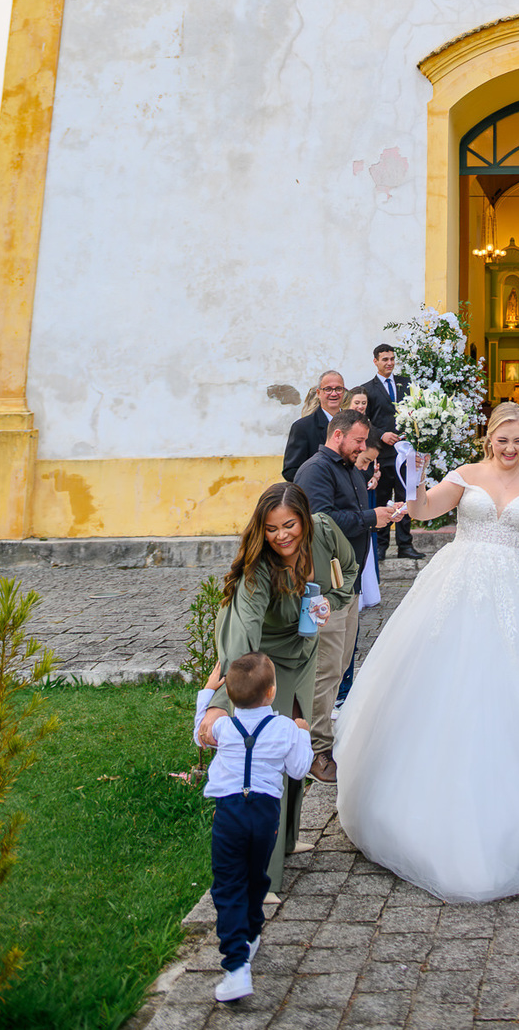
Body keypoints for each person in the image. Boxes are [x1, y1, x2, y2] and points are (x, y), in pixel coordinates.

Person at [334, 402, 519, 901]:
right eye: (504, 440)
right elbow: (424, 509)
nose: (511, 448)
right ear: (490, 438)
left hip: (518, 586)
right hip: (458, 580)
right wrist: (414, 481)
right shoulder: (465, 474)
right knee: (445, 686)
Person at [196, 483, 357, 890]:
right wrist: (222, 698)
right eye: (271, 529)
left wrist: (331, 604)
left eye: (289, 525)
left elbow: (349, 571)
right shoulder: (257, 572)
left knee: (296, 738)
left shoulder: (324, 530)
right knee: (268, 753)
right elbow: (242, 643)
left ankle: (286, 841)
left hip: (302, 650)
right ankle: (263, 879)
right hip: (263, 659)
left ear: (304, 518)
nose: (281, 535)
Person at [194, 652, 314, 1002]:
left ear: (229, 697)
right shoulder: (284, 729)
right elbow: (298, 770)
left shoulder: (223, 727)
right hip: (265, 816)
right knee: (256, 875)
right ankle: (249, 936)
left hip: (229, 814)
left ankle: (236, 965)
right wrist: (303, 734)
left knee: (228, 884)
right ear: (272, 692)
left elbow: (200, 734)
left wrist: (206, 693)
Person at [294, 409, 405, 781]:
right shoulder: (315, 470)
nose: (363, 447)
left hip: (348, 583)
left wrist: (379, 513)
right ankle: (312, 751)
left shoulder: (348, 468)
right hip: (323, 586)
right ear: (337, 435)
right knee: (323, 669)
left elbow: (353, 512)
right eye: (358, 440)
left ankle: (323, 737)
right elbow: (321, 522)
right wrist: (372, 518)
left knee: (339, 666)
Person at [356, 342, 422, 561]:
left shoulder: (407, 383)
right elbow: (364, 420)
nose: (390, 363)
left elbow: (416, 410)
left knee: (404, 498)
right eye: (385, 359)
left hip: (404, 453)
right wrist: (381, 434)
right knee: (382, 499)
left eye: (392, 359)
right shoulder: (368, 388)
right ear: (375, 361)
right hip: (381, 454)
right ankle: (381, 545)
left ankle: (405, 544)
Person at [282, 372, 346, 480]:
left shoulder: (354, 423)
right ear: (318, 392)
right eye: (328, 389)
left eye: (338, 389)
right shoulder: (302, 427)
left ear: (344, 392)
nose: (334, 394)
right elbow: (291, 470)